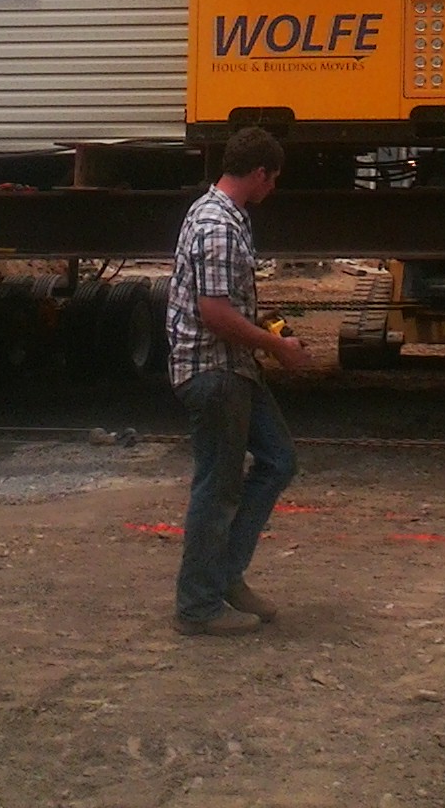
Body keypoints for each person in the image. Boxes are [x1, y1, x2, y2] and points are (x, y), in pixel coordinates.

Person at [167, 125, 310, 636]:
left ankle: (224, 577)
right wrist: (277, 346)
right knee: (218, 487)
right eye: (273, 180)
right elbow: (215, 314)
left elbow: (226, 306)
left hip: (231, 368)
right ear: (259, 173)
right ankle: (198, 607)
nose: (273, 190)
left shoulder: (221, 216)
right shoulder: (220, 225)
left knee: (277, 461)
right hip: (215, 369)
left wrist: (263, 328)